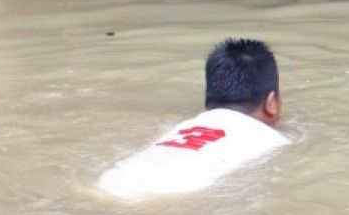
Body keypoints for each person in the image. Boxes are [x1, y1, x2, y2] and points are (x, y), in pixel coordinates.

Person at [98, 39, 290, 199]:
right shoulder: (274, 141)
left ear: (209, 99)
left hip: (109, 181)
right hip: (175, 195)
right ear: (271, 103)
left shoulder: (184, 127)